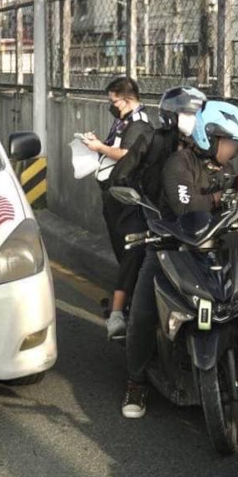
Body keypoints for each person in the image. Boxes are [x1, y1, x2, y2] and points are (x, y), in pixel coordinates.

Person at [121, 100, 238, 419]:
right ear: (208, 138)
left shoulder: (222, 169)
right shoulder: (178, 164)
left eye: (234, 144)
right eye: (229, 143)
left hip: (210, 249)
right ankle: (136, 383)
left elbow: (227, 202)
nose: (232, 151)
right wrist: (221, 197)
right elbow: (188, 207)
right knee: (142, 314)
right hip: (168, 248)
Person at [82, 77, 156, 340]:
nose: (111, 106)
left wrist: (99, 147)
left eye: (113, 101)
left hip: (127, 198)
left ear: (126, 99)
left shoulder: (140, 125)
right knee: (120, 249)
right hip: (113, 194)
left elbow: (126, 154)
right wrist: (98, 145)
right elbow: (115, 147)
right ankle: (124, 304)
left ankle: (123, 309)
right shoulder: (123, 121)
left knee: (130, 251)